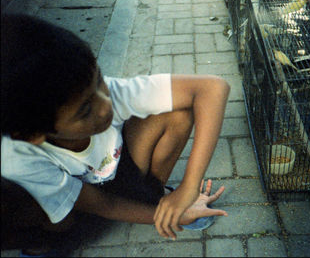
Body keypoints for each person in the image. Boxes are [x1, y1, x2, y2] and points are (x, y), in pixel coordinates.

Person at [1, 14, 230, 256]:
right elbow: (103, 205)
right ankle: (45, 244)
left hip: (118, 176)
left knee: (178, 114)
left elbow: (214, 88)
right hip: (82, 208)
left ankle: (155, 198)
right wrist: (176, 216)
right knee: (37, 212)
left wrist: (189, 187)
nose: (105, 105)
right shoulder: (16, 157)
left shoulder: (104, 93)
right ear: (33, 135)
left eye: (98, 79)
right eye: (85, 110)